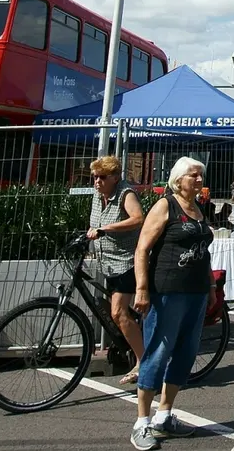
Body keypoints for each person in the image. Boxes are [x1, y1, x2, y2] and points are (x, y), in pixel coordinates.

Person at [131, 157, 217, 448]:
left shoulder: (198, 209)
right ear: (178, 179)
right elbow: (142, 248)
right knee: (158, 351)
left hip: (196, 292)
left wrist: (212, 286)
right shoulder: (166, 206)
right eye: (193, 175)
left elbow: (202, 250)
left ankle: (164, 415)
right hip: (167, 291)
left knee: (185, 353)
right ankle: (142, 422)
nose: (198, 180)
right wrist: (142, 289)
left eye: (200, 176)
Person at [86, 156, 146, 385]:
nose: (97, 182)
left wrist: (105, 229)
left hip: (127, 262)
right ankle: (139, 342)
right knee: (122, 314)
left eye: (102, 177)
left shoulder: (125, 193)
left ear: (114, 177)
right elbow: (94, 223)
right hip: (107, 262)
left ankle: (143, 363)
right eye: (95, 177)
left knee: (118, 313)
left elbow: (138, 218)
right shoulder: (97, 196)